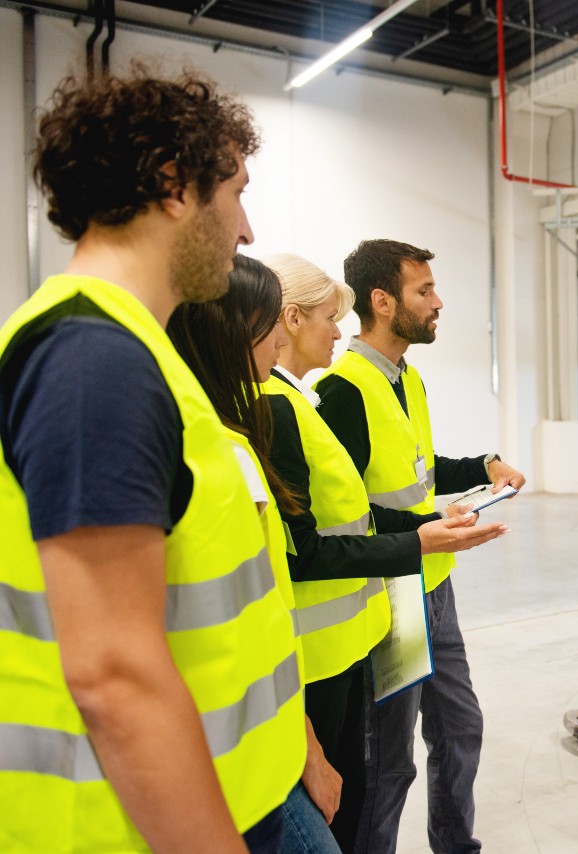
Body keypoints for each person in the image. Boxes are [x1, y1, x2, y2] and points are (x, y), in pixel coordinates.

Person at [0, 66, 303, 852]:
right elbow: (114, 675)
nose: (245, 229)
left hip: (214, 799)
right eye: (234, 191)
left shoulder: (134, 351)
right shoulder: (92, 361)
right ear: (174, 184)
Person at [261, 252, 508, 853]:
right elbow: (327, 530)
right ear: (384, 301)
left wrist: (473, 477)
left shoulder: (405, 379)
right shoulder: (332, 392)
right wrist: (418, 535)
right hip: (386, 591)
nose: (439, 302)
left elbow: (410, 473)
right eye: (424, 290)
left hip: (425, 574)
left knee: (456, 727)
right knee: (384, 762)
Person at [168, 254, 345, 854]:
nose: (279, 338)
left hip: (266, 748)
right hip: (220, 770)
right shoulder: (199, 449)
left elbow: (263, 622)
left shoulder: (231, 440)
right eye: (270, 323)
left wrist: (306, 747)